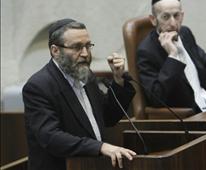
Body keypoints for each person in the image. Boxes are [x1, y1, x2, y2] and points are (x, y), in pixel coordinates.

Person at [22, 18, 137, 170]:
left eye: (88, 46)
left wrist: (118, 80)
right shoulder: (38, 87)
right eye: (77, 47)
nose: (85, 53)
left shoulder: (85, 75)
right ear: (55, 51)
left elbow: (108, 117)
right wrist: (100, 147)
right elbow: (51, 138)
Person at [137, 0, 206, 113]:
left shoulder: (185, 33)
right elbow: (156, 97)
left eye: (176, 16)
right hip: (186, 116)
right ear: (153, 19)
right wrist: (173, 56)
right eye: (165, 17)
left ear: (182, 15)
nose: (173, 23)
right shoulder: (146, 51)